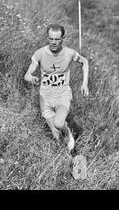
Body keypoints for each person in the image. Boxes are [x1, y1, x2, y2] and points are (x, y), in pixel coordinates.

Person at [24, 24, 89, 152]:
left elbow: (85, 62)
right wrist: (31, 78)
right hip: (45, 97)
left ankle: (68, 132)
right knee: (55, 133)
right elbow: (27, 75)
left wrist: (84, 84)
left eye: (57, 39)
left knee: (58, 124)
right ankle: (66, 158)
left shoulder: (69, 53)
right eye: (51, 39)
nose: (53, 42)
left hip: (62, 95)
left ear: (63, 38)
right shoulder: (40, 53)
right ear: (48, 38)